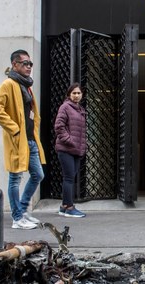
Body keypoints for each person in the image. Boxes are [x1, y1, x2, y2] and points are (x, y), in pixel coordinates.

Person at [0, 49, 46, 230]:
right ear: (15, 64)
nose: (29, 67)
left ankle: (22, 211)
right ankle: (17, 218)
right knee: (15, 178)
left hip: (30, 140)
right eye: (25, 63)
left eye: (30, 64)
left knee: (38, 174)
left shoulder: (26, 85)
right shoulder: (9, 84)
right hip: (18, 139)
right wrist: (14, 129)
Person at [54, 83, 87, 218]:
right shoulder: (65, 107)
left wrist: (82, 145)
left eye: (79, 93)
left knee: (70, 177)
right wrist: (70, 141)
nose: (76, 95)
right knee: (68, 178)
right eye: (74, 93)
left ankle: (63, 206)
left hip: (76, 150)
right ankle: (69, 207)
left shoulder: (80, 109)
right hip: (66, 149)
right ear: (69, 95)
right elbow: (59, 126)